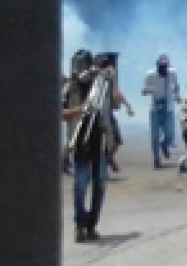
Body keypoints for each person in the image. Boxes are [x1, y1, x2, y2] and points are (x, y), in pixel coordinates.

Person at [65, 51, 118, 243]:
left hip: (100, 139)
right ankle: (80, 224)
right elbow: (60, 112)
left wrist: (113, 79)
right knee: (80, 185)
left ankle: (91, 224)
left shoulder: (101, 83)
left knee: (100, 183)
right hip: (79, 140)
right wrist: (80, 109)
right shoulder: (70, 87)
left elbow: (116, 103)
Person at [143, 53, 181, 169]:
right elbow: (144, 90)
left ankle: (164, 145)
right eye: (161, 67)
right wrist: (149, 91)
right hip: (155, 109)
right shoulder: (150, 75)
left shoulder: (172, 74)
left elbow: (176, 86)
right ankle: (156, 159)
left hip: (168, 108)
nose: (163, 69)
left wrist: (177, 95)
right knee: (155, 136)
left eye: (165, 67)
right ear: (157, 66)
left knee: (170, 134)